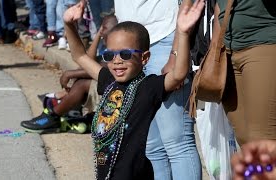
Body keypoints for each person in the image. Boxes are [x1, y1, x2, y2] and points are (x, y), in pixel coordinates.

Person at [63, 0, 204, 179]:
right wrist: (68, 24)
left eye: (125, 54)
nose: (117, 61)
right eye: (109, 55)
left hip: (135, 174)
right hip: (107, 174)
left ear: (144, 58)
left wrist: (183, 34)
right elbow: (79, 55)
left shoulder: (148, 87)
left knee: (177, 143)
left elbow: (178, 75)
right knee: (154, 149)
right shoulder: (108, 81)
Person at [114, 0, 202, 179]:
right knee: (151, 146)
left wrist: (175, 52)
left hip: (165, 39)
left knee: (177, 142)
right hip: (130, 45)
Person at [20, 14, 118, 133]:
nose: (102, 30)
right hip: (107, 87)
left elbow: (104, 71)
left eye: (105, 28)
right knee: (80, 75)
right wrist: (98, 35)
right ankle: (69, 110)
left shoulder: (117, 49)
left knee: (82, 83)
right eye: (101, 28)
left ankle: (53, 116)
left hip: (116, 92)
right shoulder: (107, 47)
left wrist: (70, 74)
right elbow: (88, 61)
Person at [213, 0, 276, 145]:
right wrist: (215, 50)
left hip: (262, 43)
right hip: (228, 52)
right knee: (244, 139)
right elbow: (219, 6)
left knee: (262, 140)